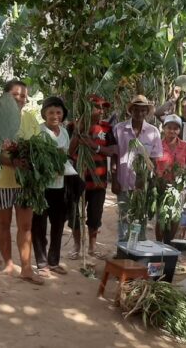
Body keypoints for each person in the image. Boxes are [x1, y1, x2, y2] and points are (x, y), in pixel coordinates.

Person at [0, 80, 44, 285]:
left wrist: (32, 160)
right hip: (2, 180)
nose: (20, 99)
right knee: (3, 223)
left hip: (26, 182)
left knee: (26, 225)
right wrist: (11, 161)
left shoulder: (30, 118)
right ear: (5, 97)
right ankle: (8, 263)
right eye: (15, 95)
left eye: (22, 96)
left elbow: (38, 146)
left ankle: (27, 268)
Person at [67, 95, 117, 260]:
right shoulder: (73, 126)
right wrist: (78, 132)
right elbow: (68, 151)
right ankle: (76, 245)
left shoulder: (106, 129)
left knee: (95, 215)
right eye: (97, 107)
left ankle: (92, 246)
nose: (101, 111)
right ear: (87, 108)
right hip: (77, 180)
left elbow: (113, 151)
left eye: (103, 108)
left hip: (98, 182)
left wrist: (94, 147)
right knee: (74, 214)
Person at [31, 97, 76, 276]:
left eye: (58, 112)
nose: (55, 116)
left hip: (60, 185)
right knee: (39, 225)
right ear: (44, 114)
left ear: (63, 114)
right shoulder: (39, 132)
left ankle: (54, 261)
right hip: (42, 186)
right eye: (51, 112)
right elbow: (35, 158)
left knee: (58, 224)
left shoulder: (64, 132)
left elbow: (65, 155)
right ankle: (42, 264)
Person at [112, 95, 163, 242]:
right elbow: (115, 156)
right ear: (131, 110)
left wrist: (147, 180)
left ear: (147, 112)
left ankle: (138, 249)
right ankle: (122, 251)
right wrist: (114, 180)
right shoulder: (119, 129)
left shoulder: (153, 132)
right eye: (136, 109)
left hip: (142, 185)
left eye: (143, 110)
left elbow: (154, 160)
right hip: (123, 182)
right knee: (124, 217)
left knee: (141, 217)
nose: (139, 113)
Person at [154, 115, 186, 243]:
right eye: (169, 128)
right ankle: (158, 244)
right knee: (161, 217)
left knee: (175, 217)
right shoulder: (157, 145)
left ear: (179, 130)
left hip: (179, 188)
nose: (172, 131)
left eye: (175, 128)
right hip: (161, 186)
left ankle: (168, 244)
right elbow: (152, 166)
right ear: (164, 129)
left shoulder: (185, 147)